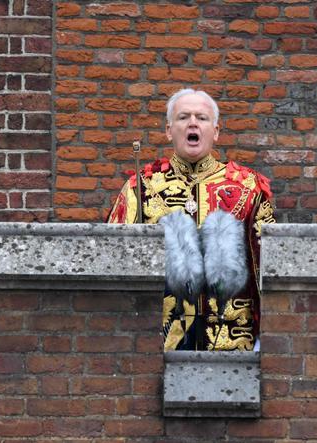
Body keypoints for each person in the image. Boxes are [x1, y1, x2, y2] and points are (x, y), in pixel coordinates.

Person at [107, 88, 275, 352]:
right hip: (156, 346)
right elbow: (114, 266)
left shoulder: (248, 187)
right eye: (184, 117)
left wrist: (268, 339)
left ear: (216, 131)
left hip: (232, 344)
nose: (193, 123)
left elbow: (268, 269)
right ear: (169, 130)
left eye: (202, 118)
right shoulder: (140, 189)